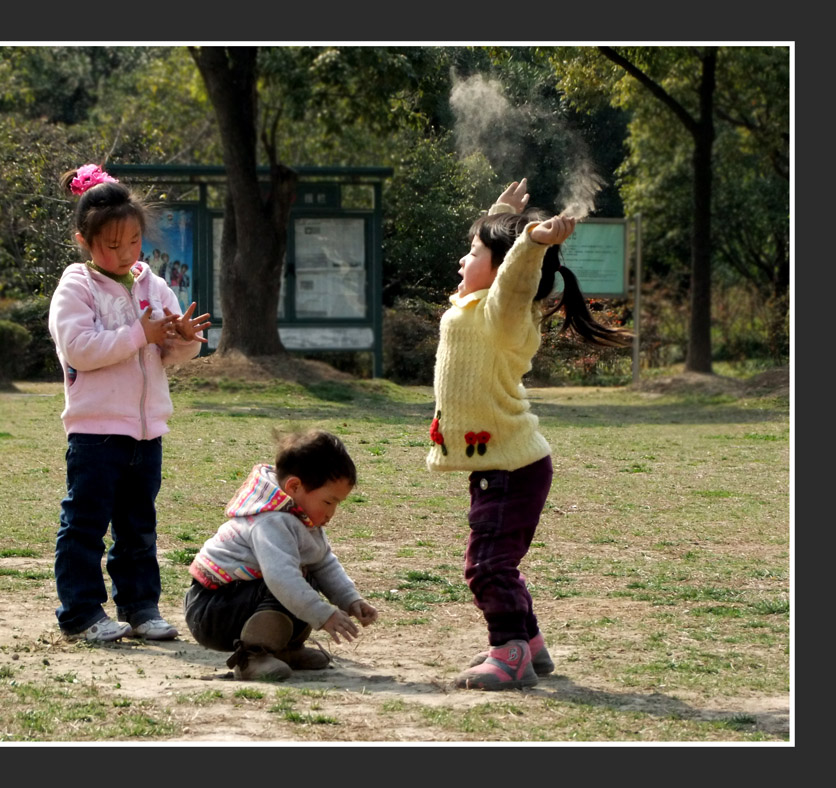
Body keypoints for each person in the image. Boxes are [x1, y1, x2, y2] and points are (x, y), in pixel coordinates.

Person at [428, 177, 632, 690]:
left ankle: (509, 653)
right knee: (499, 562)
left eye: (472, 252)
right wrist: (499, 214)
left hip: (512, 468)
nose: (460, 259)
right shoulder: (473, 308)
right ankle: (528, 645)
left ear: (501, 269)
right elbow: (498, 267)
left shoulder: (504, 312)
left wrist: (532, 243)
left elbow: (515, 279)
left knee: (487, 566)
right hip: (499, 466)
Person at [48, 163, 212, 643]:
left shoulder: (151, 282)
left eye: (134, 242)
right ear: (84, 240)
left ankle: (141, 608)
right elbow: (79, 349)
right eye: (110, 245)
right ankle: (81, 614)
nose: (124, 254)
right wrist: (139, 332)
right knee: (84, 526)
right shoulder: (76, 286)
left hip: (147, 431)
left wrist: (184, 339)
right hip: (96, 432)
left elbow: (169, 355)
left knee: (139, 529)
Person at [184, 429, 379, 680]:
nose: (332, 513)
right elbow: (280, 578)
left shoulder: (301, 517)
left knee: (306, 580)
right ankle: (251, 657)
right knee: (286, 585)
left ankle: (284, 649)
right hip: (213, 610)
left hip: (237, 601)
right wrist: (323, 614)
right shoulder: (272, 520)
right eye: (328, 502)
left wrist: (350, 599)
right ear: (294, 486)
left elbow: (323, 562)